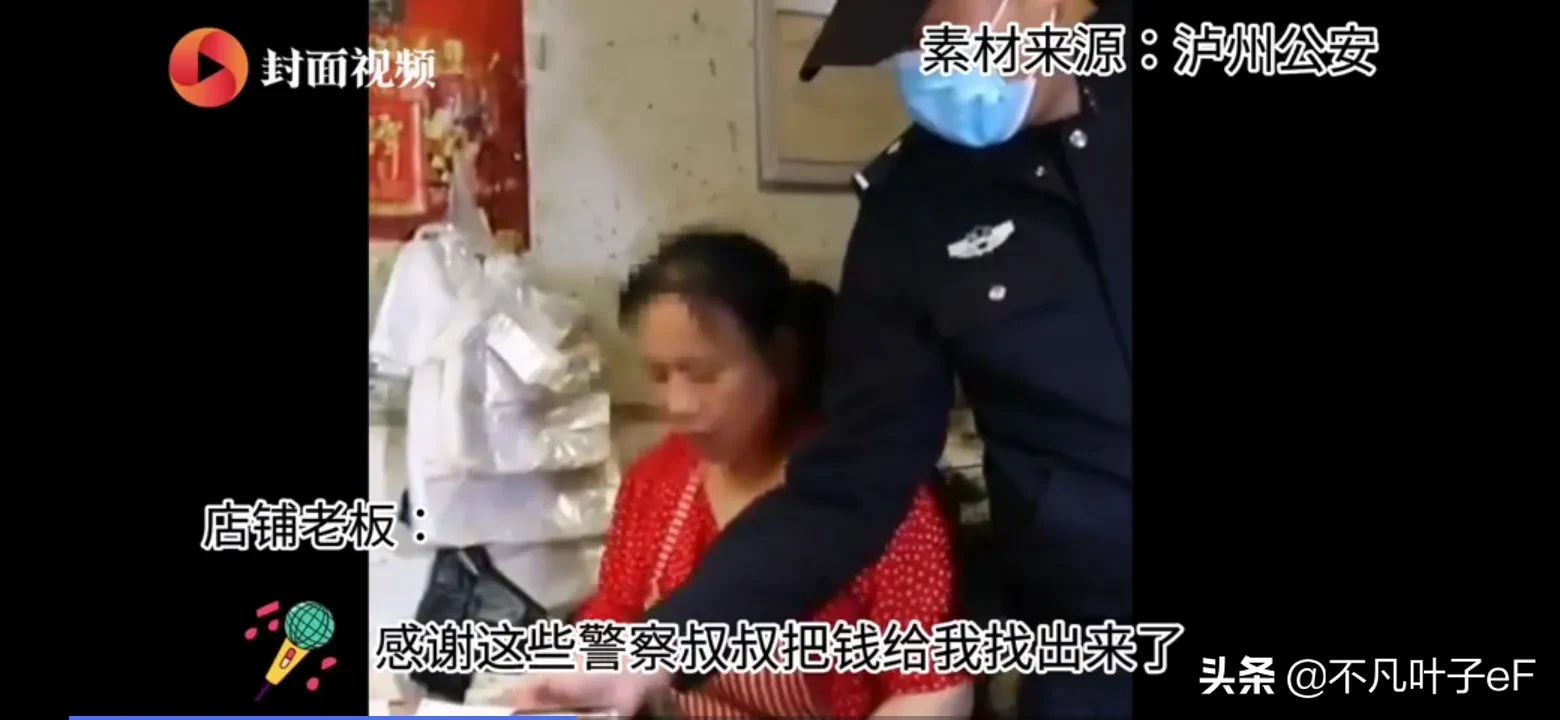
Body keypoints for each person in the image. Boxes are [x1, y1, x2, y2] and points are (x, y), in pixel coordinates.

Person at [521, 0, 1134, 716]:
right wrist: (650, 652)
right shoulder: (915, 206)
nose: (923, 60)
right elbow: (851, 483)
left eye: (933, 27)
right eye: (903, 43)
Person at [509, 230, 975, 718]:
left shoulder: (878, 496)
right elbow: (617, 613)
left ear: (782, 359)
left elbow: (933, 689)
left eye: (704, 374)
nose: (677, 404)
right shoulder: (657, 480)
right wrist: (570, 680)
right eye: (659, 375)